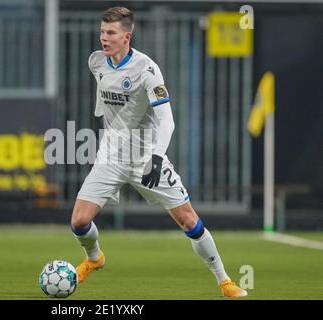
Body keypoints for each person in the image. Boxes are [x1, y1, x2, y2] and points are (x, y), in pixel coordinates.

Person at [70, 6, 247, 298]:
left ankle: (224, 280)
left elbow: (167, 120)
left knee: (188, 219)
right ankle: (94, 258)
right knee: (78, 221)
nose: (104, 38)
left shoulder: (147, 70)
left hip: (145, 157)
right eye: (102, 31)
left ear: (127, 36)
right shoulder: (96, 62)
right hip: (111, 157)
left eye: (110, 33)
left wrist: (155, 156)